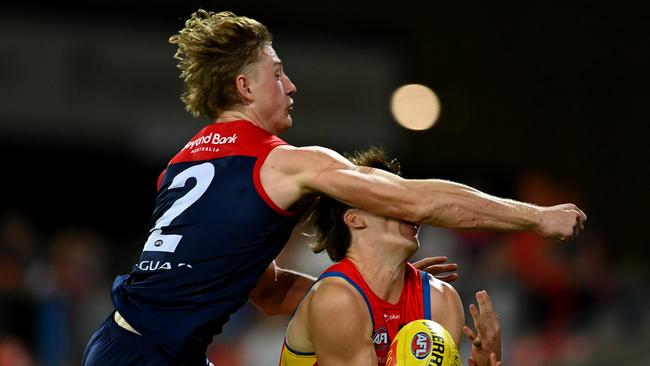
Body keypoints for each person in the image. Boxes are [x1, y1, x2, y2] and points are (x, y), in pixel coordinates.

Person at [81, 9, 586, 366]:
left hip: (132, 345)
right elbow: (417, 199)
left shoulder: (182, 164)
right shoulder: (281, 162)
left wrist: (381, 291)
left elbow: (267, 290)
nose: (291, 86)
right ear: (244, 86)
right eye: (277, 74)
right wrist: (537, 217)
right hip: (149, 354)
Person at [279, 148, 501, 366]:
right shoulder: (336, 299)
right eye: (391, 199)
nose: (411, 209)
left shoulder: (440, 299)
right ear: (355, 219)